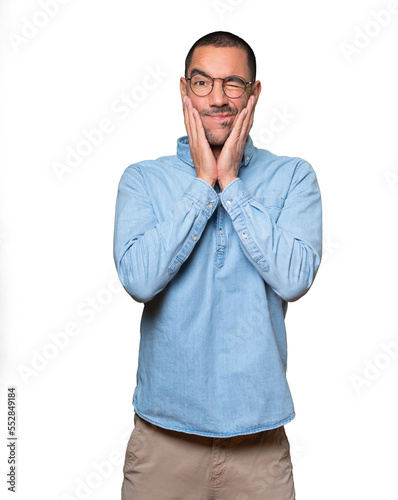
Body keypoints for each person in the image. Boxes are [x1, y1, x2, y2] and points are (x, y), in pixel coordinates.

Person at [113, 30, 322, 500]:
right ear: (184, 91)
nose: (218, 98)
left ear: (254, 93)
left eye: (233, 84)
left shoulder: (293, 177)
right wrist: (203, 184)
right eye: (202, 83)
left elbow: (294, 279)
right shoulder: (143, 180)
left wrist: (230, 182)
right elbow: (140, 281)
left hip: (259, 444)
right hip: (163, 439)